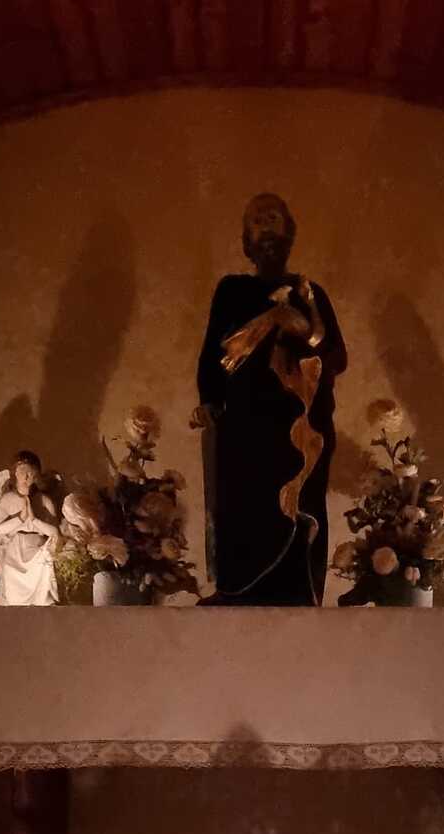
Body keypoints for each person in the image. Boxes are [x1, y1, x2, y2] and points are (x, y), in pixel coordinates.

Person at [193, 193, 346, 605]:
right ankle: (239, 589)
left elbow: (335, 356)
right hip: (245, 424)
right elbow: (213, 352)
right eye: (257, 221)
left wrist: (295, 329)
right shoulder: (232, 291)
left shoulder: (309, 292)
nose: (266, 227)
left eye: (273, 218)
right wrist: (209, 397)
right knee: (244, 505)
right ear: (247, 238)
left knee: (296, 502)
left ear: (288, 231)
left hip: (298, 423)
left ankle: (298, 589)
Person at [0, 450, 60, 605]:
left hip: (37, 551)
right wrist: (20, 518)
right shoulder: (7, 499)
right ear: (15, 473)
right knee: (15, 595)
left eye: (31, 473)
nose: (26, 477)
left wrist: (34, 520)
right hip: (15, 553)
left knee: (43, 588)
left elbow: (54, 532)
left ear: (36, 476)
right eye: (22, 472)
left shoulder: (44, 501)